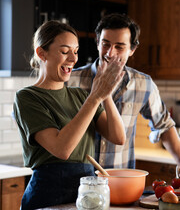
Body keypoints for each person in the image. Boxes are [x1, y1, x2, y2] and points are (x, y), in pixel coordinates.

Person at [13, 20, 126, 210]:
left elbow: (118, 137)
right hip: (47, 194)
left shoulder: (81, 96)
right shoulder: (27, 97)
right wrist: (95, 97)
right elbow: (62, 149)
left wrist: (105, 94)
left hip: (87, 194)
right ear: (42, 53)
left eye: (75, 51)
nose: (73, 59)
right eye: (65, 51)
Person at [67, 13, 180, 169]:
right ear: (98, 43)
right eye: (105, 44)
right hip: (78, 184)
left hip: (121, 183)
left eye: (119, 47)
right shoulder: (71, 81)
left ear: (132, 49)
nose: (110, 53)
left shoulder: (143, 84)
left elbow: (165, 127)